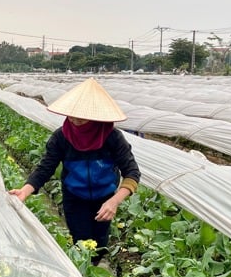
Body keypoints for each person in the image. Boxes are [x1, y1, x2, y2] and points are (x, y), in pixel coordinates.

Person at [8, 78, 140, 264]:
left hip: (105, 198)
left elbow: (132, 173)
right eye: (72, 114)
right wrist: (26, 190)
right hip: (74, 197)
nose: (75, 120)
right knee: (81, 241)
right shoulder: (61, 137)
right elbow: (46, 167)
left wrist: (114, 201)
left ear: (96, 116)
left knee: (100, 244)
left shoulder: (112, 138)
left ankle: (91, 270)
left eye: (82, 116)